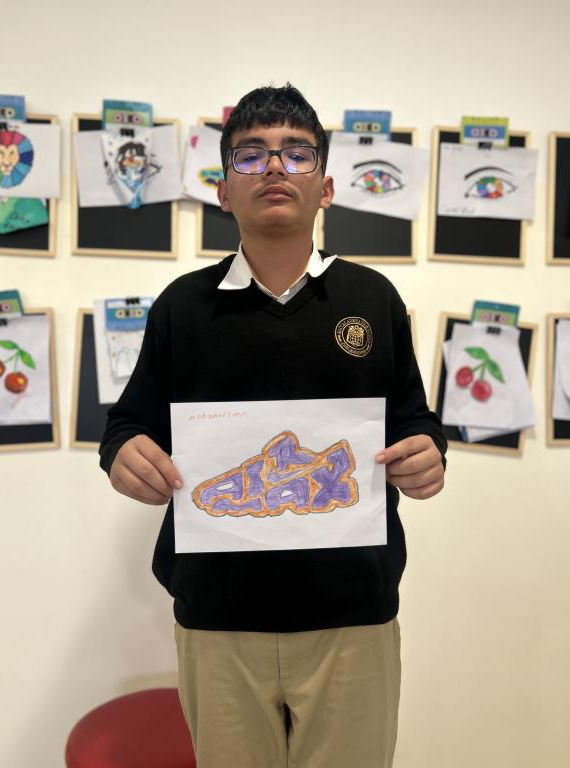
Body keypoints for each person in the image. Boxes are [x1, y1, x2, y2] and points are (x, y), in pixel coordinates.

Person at [99, 84, 447, 768]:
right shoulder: (182, 308)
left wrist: (429, 454)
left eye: (297, 152)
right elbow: (128, 424)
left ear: (327, 187)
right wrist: (123, 454)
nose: (276, 167)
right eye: (251, 155)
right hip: (218, 618)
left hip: (353, 616)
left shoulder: (372, 299)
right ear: (224, 191)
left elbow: (415, 421)